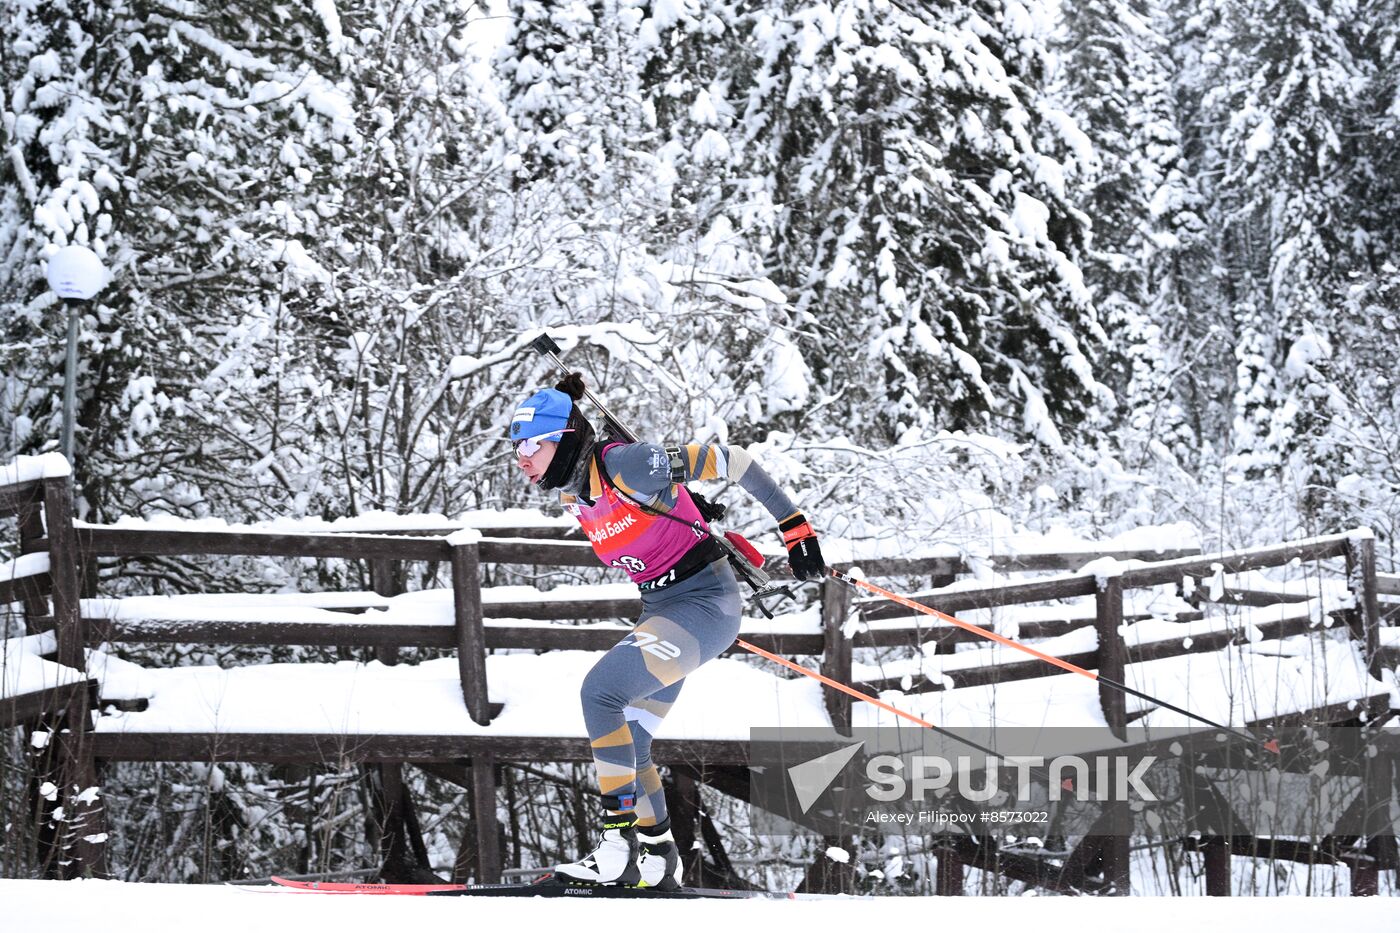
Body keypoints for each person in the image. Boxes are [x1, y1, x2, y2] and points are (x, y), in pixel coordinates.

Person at [509, 373, 825, 889]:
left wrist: (795, 528)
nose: (521, 458)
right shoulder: (578, 493)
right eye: (515, 449)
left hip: (704, 606)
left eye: (529, 445)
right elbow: (655, 520)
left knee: (601, 693)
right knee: (630, 736)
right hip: (663, 609)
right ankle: (658, 858)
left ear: (563, 439)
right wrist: (681, 507)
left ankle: (615, 844)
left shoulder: (627, 464)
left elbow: (734, 460)